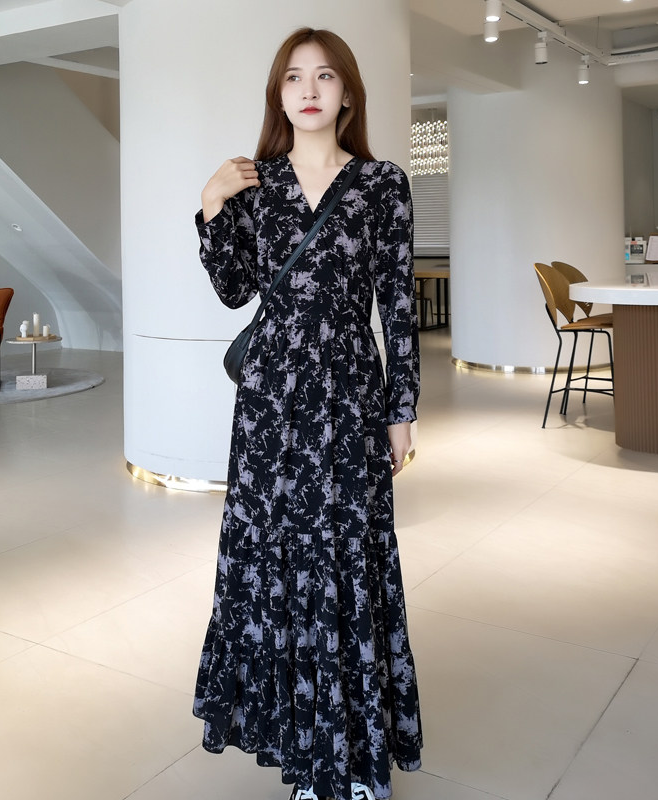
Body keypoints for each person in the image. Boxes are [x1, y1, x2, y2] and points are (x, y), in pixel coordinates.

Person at [194, 27, 422, 800]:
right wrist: (211, 205)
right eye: (295, 77)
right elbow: (234, 290)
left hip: (350, 400)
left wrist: (401, 409)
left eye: (325, 76)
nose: (310, 89)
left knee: (348, 564)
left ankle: (354, 763)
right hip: (271, 408)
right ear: (279, 94)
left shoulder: (382, 184)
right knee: (282, 568)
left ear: (347, 92)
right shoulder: (255, 184)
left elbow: (398, 306)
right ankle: (306, 756)